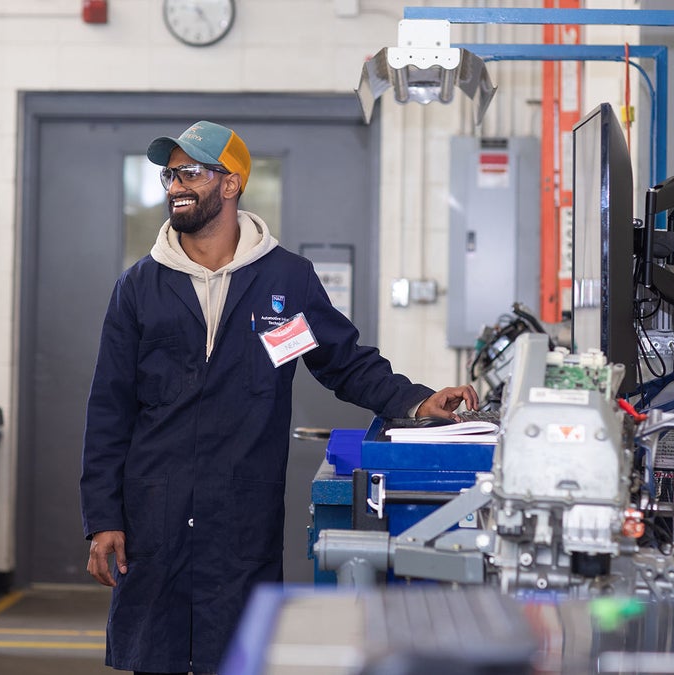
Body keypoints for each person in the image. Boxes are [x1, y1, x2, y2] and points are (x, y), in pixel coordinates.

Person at [81, 121, 478, 674]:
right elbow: (108, 410)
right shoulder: (139, 287)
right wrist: (103, 518)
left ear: (231, 183)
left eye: (191, 171)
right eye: (170, 173)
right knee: (158, 657)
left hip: (241, 514)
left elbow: (343, 362)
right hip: (157, 514)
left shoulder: (285, 282)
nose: (175, 185)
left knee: (239, 656)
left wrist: (417, 400)